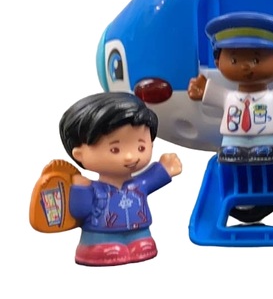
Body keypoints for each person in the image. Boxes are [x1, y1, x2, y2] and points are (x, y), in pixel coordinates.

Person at [52, 92, 182, 265]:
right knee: (106, 248)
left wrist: (165, 168)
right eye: (115, 150)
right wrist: (80, 190)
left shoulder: (139, 184)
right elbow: (79, 211)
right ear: (79, 154)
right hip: (98, 235)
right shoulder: (93, 189)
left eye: (141, 147)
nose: (130, 157)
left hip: (140, 230)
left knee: (144, 244)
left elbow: (152, 178)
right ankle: (97, 247)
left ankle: (138, 241)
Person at [187, 12, 273, 164]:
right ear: (217, 63)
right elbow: (215, 94)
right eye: (234, 60)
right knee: (230, 150)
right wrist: (203, 89)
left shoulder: (272, 97)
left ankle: (267, 146)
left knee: (269, 149)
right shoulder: (228, 97)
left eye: (256, 60)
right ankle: (233, 147)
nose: (245, 67)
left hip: (269, 138)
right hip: (232, 138)